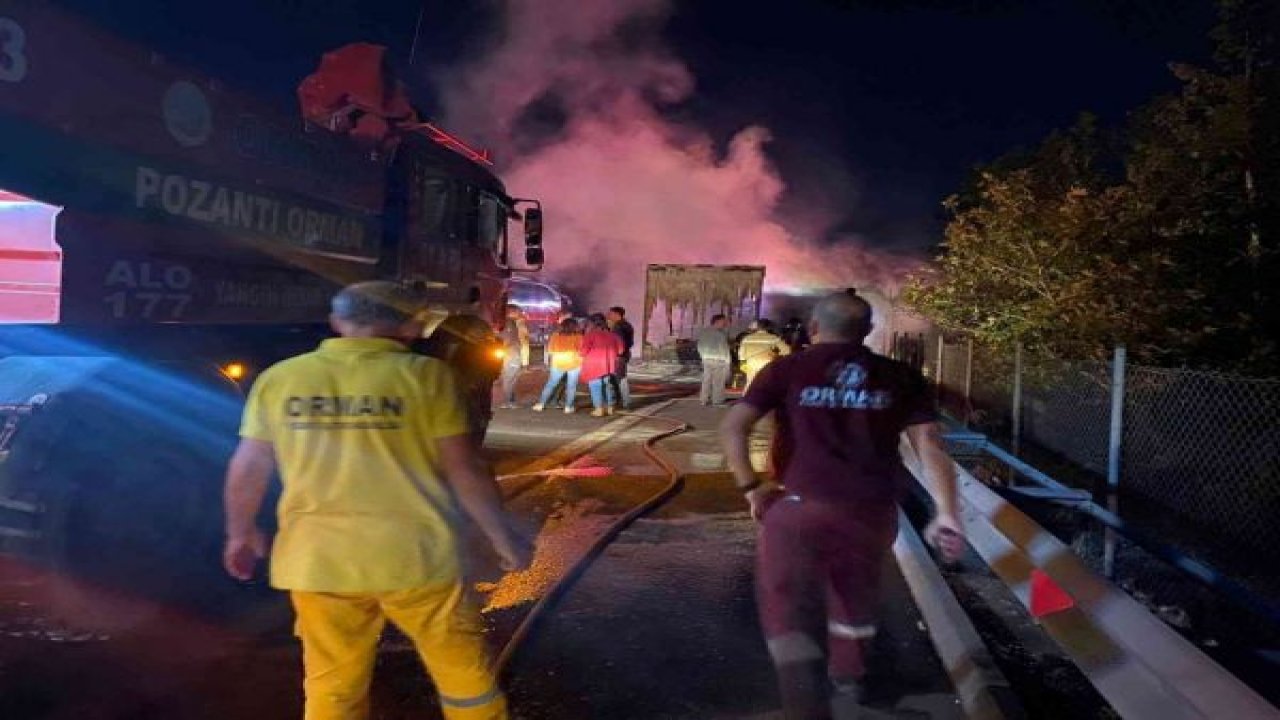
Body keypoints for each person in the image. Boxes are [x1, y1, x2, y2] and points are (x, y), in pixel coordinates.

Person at [223, 281, 532, 720]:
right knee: (464, 679)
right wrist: (502, 538)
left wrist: (240, 533)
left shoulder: (282, 379)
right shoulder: (428, 378)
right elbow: (464, 469)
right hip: (417, 558)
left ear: (336, 321)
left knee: (332, 688)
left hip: (319, 561)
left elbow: (249, 464)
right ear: (411, 326)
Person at [719, 292, 965, 719]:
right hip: (870, 511)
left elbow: (733, 427)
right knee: (855, 595)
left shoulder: (787, 369)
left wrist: (752, 487)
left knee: (787, 606)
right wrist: (947, 513)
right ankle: (849, 675)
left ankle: (803, 703)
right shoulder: (899, 375)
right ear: (868, 330)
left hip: (798, 507)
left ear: (814, 328)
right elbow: (929, 444)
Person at [533, 317, 583, 414]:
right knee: (571, 386)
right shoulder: (578, 337)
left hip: (558, 362)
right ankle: (568, 407)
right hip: (574, 363)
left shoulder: (555, 336)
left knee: (551, 384)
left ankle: (540, 404)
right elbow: (581, 351)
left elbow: (550, 350)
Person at [579, 312, 624, 417]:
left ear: (592, 323)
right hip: (608, 365)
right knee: (607, 386)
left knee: (595, 386)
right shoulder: (614, 336)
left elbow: (583, 352)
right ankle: (610, 407)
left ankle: (599, 409)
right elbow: (620, 351)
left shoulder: (590, 335)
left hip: (593, 365)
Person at [738, 318, 791, 390]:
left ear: (757, 327)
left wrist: (743, 364)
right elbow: (787, 351)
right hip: (766, 363)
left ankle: (748, 396)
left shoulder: (747, 338)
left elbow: (741, 353)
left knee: (750, 383)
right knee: (766, 384)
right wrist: (775, 354)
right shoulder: (773, 338)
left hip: (751, 363)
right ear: (769, 327)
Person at [497, 304, 530, 409]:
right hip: (511, 354)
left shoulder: (509, 322)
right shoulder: (509, 323)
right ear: (511, 312)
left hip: (510, 353)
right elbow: (507, 339)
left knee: (509, 378)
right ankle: (508, 402)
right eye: (518, 312)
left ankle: (510, 400)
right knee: (510, 378)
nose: (520, 314)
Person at [696, 314, 733, 406]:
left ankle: (704, 399)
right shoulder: (720, 334)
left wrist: (703, 356)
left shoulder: (704, 332)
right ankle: (717, 400)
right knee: (718, 381)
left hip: (706, 359)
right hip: (719, 360)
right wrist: (728, 361)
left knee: (706, 380)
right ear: (717, 322)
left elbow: (699, 346)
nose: (725, 324)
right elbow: (724, 349)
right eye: (723, 322)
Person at [606, 306, 634, 409]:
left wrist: (617, 353)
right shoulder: (628, 325)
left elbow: (617, 342)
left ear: (617, 315)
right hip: (623, 355)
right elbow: (630, 343)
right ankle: (620, 401)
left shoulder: (618, 327)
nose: (608, 316)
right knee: (618, 378)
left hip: (618, 356)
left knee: (619, 379)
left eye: (610, 314)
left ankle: (624, 402)